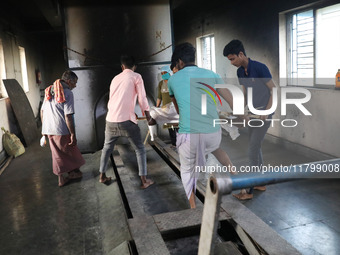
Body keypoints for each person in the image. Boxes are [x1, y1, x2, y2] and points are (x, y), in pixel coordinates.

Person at [168, 42, 234, 208]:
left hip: (189, 137)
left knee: (187, 169)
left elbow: (179, 110)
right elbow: (233, 102)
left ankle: (193, 206)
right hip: (213, 134)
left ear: (180, 62)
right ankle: (234, 176)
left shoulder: (172, 80)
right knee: (214, 149)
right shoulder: (212, 74)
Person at [221, 39, 276, 200]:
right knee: (256, 146)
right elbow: (245, 94)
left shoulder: (260, 68)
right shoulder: (240, 72)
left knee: (252, 149)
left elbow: (274, 91)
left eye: (232, 59)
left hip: (264, 113)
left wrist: (267, 110)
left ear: (241, 54)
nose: (231, 63)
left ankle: (249, 191)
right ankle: (261, 182)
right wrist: (237, 110)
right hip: (252, 113)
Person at [98, 55, 154, 189]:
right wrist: (148, 117)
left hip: (111, 119)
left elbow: (114, 100)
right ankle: (144, 181)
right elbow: (142, 98)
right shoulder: (136, 76)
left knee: (106, 148)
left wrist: (130, 111)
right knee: (140, 149)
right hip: (127, 122)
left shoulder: (115, 79)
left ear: (122, 67)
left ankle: (102, 176)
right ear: (134, 66)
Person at [41, 70, 85, 187]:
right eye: (75, 83)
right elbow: (68, 115)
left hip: (48, 128)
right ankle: (73, 173)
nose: (75, 85)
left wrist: (43, 130)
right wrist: (73, 134)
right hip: (60, 129)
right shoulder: (67, 92)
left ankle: (63, 178)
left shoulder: (49, 90)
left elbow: (42, 111)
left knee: (57, 154)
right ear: (69, 81)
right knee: (72, 151)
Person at [153, 65, 178, 146]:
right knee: (170, 128)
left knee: (178, 127)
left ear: (169, 73)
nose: (163, 74)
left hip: (175, 108)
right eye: (162, 73)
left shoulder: (174, 81)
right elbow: (159, 97)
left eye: (165, 73)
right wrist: (157, 108)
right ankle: (174, 145)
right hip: (166, 110)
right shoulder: (161, 83)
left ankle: (181, 144)